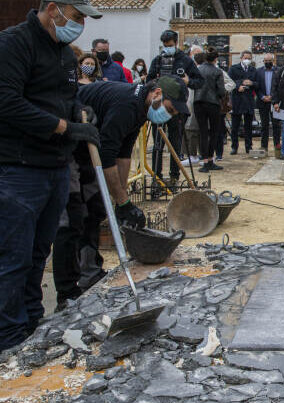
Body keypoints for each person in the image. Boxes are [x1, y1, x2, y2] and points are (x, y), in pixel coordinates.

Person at [0, 0, 102, 351]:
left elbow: (67, 98)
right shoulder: (14, 44)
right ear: (54, 9)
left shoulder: (63, 53)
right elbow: (7, 102)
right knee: (12, 257)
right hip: (18, 168)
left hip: (54, 168)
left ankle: (30, 323)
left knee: (37, 255)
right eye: (76, 18)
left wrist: (80, 111)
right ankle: (7, 338)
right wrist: (64, 127)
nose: (80, 26)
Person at [53, 77, 187, 308]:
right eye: (170, 109)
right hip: (67, 151)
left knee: (94, 211)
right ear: (157, 94)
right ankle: (66, 292)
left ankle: (90, 273)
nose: (170, 116)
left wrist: (121, 199)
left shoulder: (141, 110)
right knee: (72, 218)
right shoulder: (126, 105)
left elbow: (123, 155)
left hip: (90, 151)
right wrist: (123, 201)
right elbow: (107, 157)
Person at [146, 29, 203, 187]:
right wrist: (155, 84)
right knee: (158, 142)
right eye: (165, 45)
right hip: (159, 105)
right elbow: (149, 80)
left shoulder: (185, 60)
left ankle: (174, 176)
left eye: (170, 45)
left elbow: (199, 81)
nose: (167, 48)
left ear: (176, 43)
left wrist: (187, 81)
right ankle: (156, 177)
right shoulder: (158, 60)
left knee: (175, 142)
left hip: (177, 106)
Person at [194, 47, 226, 173]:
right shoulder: (217, 71)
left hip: (198, 102)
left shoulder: (198, 70)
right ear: (216, 59)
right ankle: (211, 160)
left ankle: (205, 161)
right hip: (213, 103)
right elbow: (221, 91)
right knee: (214, 132)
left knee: (203, 132)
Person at [229, 50, 257, 155]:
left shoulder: (253, 70)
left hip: (249, 101)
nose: (247, 60)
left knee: (248, 126)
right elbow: (229, 81)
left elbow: (257, 83)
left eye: (249, 58)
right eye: (245, 58)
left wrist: (252, 83)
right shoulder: (233, 68)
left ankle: (248, 146)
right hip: (237, 100)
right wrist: (238, 85)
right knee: (235, 126)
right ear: (241, 58)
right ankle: (234, 147)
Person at [255, 52, 281, 154]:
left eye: (270, 61)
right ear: (263, 61)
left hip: (275, 103)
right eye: (266, 61)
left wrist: (273, 97)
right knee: (264, 125)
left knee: (276, 125)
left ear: (273, 61)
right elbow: (256, 87)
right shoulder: (258, 72)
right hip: (263, 102)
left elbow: (279, 86)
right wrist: (262, 96)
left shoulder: (278, 71)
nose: (268, 62)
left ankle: (277, 146)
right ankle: (264, 146)